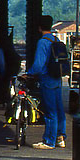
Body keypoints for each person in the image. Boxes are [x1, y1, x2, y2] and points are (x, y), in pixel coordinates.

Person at [23, 15, 66, 150]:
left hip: (47, 79)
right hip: (57, 79)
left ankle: (49, 141)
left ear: (39, 27)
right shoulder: (55, 39)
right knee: (59, 109)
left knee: (50, 111)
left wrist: (28, 73)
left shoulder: (43, 42)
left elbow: (39, 64)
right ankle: (60, 137)